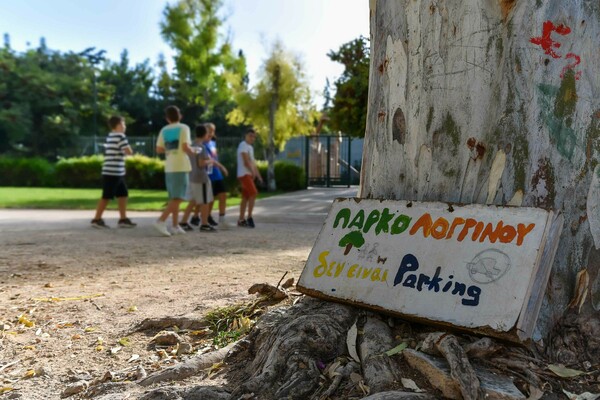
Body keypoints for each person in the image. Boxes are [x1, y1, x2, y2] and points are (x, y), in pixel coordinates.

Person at [153, 105, 194, 237]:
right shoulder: (184, 128)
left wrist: (170, 149)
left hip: (169, 166)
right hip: (180, 165)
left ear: (167, 118)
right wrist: (195, 152)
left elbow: (158, 149)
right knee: (179, 197)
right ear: (180, 116)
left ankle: (175, 226)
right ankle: (161, 220)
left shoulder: (164, 129)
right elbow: (185, 147)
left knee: (174, 197)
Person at [91, 116, 136, 229]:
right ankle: (96, 219)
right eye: (123, 124)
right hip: (113, 172)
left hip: (116, 171)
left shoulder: (111, 136)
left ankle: (123, 219)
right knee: (106, 196)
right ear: (117, 125)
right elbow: (128, 151)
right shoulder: (120, 136)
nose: (124, 126)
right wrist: (129, 151)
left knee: (123, 194)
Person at [180, 124, 217, 232]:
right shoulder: (202, 147)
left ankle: (183, 222)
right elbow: (201, 163)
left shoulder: (191, 145)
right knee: (205, 201)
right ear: (205, 134)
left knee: (193, 200)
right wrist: (210, 161)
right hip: (201, 177)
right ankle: (204, 224)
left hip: (191, 176)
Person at [205, 123, 230, 229]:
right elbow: (209, 160)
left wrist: (219, 168)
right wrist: (222, 167)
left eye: (213, 131)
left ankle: (222, 219)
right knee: (211, 198)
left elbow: (215, 158)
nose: (211, 133)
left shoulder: (212, 143)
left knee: (223, 194)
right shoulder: (202, 144)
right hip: (208, 174)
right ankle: (207, 217)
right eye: (209, 130)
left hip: (216, 173)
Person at [236, 129, 263, 228]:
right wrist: (252, 172)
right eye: (250, 135)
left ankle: (241, 219)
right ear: (246, 135)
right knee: (254, 193)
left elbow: (253, 163)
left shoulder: (250, 147)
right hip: (244, 174)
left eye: (254, 136)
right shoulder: (243, 145)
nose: (252, 138)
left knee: (246, 197)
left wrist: (258, 175)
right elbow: (246, 161)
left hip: (248, 174)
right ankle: (249, 217)